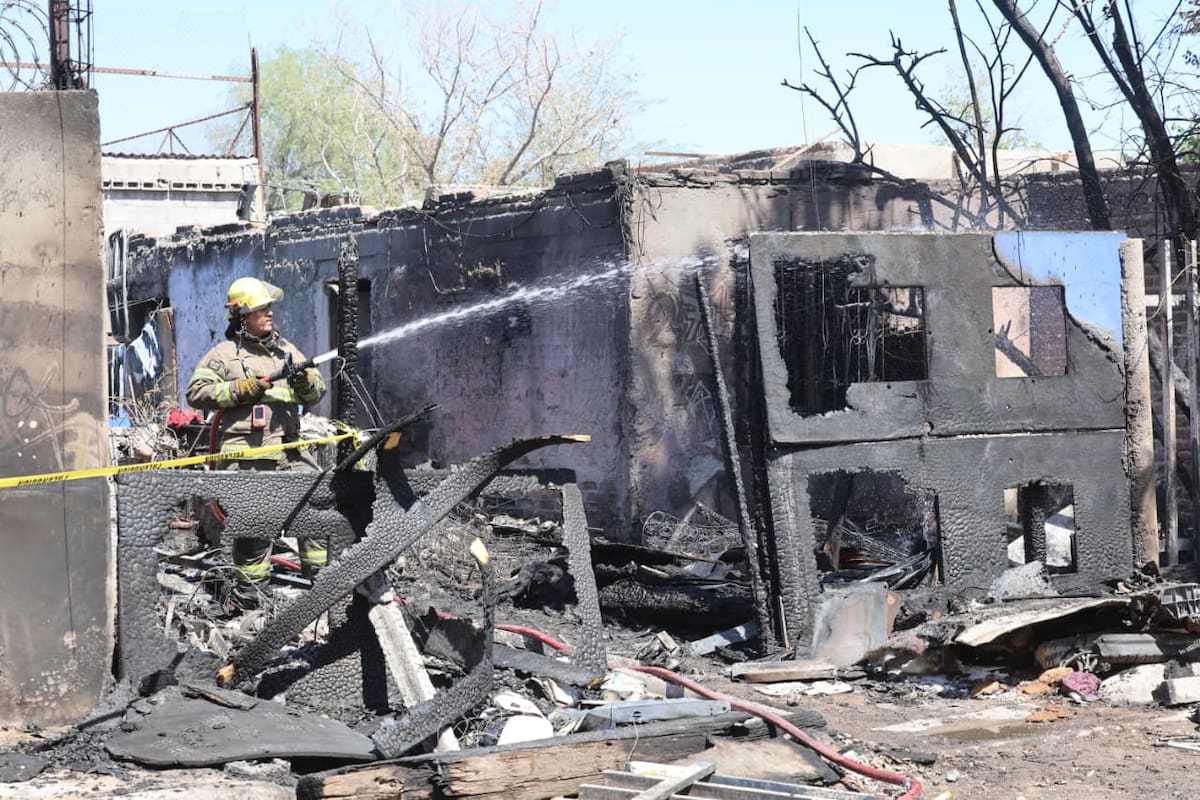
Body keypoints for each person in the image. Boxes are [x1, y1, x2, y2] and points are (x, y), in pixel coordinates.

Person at [186, 277, 328, 608]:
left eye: (270, 307)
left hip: (291, 450)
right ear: (242, 315)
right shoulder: (224, 355)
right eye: (262, 308)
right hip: (249, 454)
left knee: (317, 511)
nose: (270, 314)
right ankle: (252, 602)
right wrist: (239, 389)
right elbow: (196, 393)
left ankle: (323, 591)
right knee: (254, 529)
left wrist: (306, 379)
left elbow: (317, 391)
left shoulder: (287, 350)